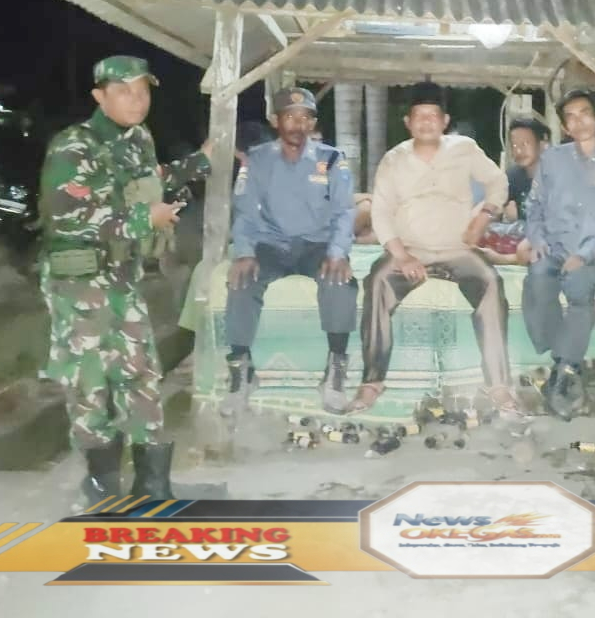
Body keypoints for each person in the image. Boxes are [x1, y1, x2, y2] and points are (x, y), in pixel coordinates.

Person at [39, 55, 212, 506]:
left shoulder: (139, 139)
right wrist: (144, 219)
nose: (137, 100)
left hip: (122, 280)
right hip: (81, 283)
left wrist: (198, 162)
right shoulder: (74, 146)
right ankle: (101, 487)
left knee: (141, 374)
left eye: (143, 90)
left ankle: (152, 485)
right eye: (124, 91)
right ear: (99, 96)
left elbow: (148, 182)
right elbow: (67, 217)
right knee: (91, 382)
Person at [347, 82, 520, 417]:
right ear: (408, 122)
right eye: (419, 116)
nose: (426, 122)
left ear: (445, 121)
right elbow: (381, 212)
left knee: (490, 282)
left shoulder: (464, 149)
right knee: (377, 281)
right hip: (410, 250)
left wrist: (486, 214)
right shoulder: (394, 160)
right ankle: (372, 381)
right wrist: (401, 255)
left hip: (458, 250)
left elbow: (497, 181)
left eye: (433, 115)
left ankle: (499, 385)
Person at [226, 88, 357, 415]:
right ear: (276, 121)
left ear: (312, 123)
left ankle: (335, 371)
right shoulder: (258, 160)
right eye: (290, 117)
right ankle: (242, 371)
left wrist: (338, 252)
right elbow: (245, 213)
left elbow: (344, 211)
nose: (298, 125)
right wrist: (244, 251)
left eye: (305, 118)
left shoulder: (331, 159)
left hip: (317, 246)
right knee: (241, 280)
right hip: (272, 244)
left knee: (340, 281)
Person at [522, 90, 595, 419]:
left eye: (584, 113)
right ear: (565, 127)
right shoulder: (552, 159)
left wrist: (585, 253)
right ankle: (561, 357)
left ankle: (564, 369)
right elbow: (534, 205)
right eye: (571, 117)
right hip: (553, 247)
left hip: (593, 251)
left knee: (581, 290)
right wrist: (536, 239)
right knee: (537, 280)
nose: (579, 122)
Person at [505, 117, 550, 223]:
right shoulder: (513, 177)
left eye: (525, 144)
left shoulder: (558, 176)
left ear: (542, 144)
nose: (518, 151)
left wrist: (518, 219)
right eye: (514, 145)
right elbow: (493, 207)